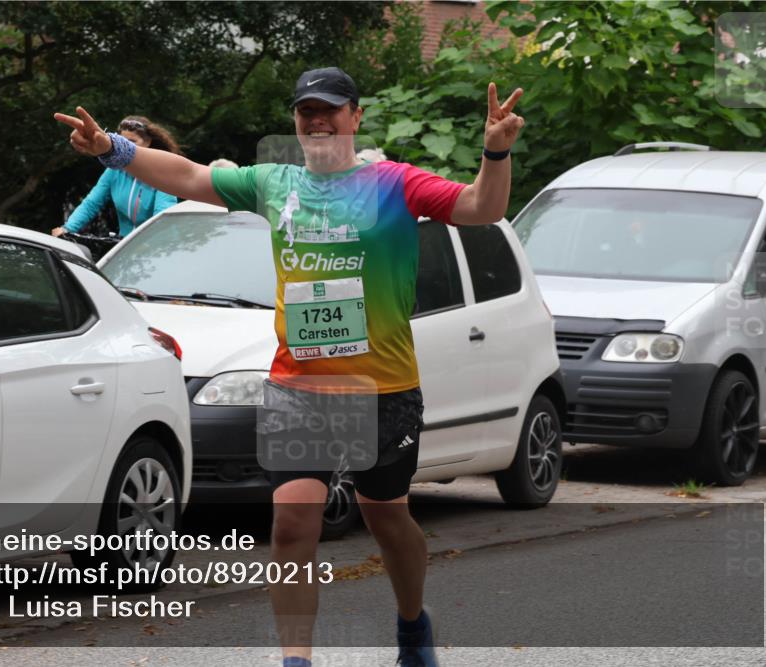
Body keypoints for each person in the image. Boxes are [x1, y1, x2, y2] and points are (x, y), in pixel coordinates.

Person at [56, 66, 524, 667]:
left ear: (355, 117)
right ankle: (295, 660)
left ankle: (412, 624)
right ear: (296, 121)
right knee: (292, 525)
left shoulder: (396, 183)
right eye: (307, 111)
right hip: (301, 387)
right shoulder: (274, 183)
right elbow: (190, 176)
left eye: (330, 109)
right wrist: (113, 150)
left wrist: (495, 152)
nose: (317, 120)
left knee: (388, 520)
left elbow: (482, 207)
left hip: (384, 389)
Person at [51, 116, 180, 239]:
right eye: (122, 142)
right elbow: (92, 203)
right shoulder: (114, 171)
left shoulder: (163, 172)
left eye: (132, 142)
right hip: (126, 245)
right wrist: (67, 228)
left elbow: (163, 215)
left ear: (148, 142)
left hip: (159, 243)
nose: (126, 147)